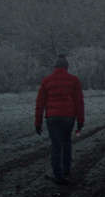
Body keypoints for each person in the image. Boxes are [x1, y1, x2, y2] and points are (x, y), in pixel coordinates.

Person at [35, 54, 85, 185]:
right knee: (67, 141)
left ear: (55, 67)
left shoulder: (46, 81)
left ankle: (57, 174)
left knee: (56, 145)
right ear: (66, 66)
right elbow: (79, 102)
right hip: (68, 117)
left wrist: (38, 123)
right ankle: (66, 169)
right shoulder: (74, 80)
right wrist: (80, 121)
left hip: (52, 117)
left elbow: (40, 104)